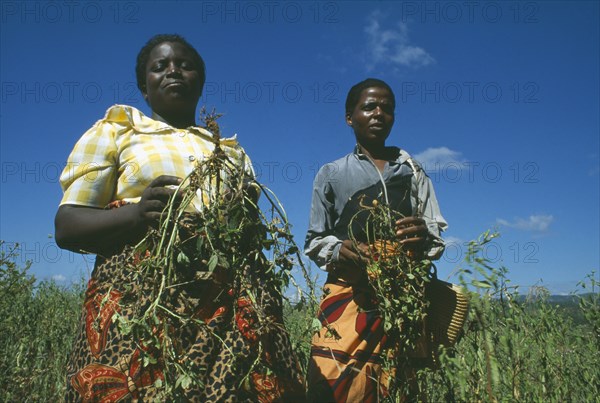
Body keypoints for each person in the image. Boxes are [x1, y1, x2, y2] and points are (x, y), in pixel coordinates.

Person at [56, 34, 304, 401]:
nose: (173, 71)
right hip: (143, 306)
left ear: (200, 81)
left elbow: (249, 232)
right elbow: (68, 226)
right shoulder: (117, 132)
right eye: (160, 67)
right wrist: (138, 215)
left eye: (185, 65)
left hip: (228, 313)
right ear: (145, 86)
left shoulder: (230, 153)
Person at [304, 78, 448, 402]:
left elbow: (435, 234)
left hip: (401, 301)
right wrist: (341, 249)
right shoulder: (332, 174)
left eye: (387, 108)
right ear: (349, 117)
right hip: (347, 296)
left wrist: (423, 235)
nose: (379, 113)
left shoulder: (411, 172)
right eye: (369, 106)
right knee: (329, 382)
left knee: (396, 384)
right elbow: (314, 240)